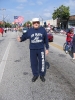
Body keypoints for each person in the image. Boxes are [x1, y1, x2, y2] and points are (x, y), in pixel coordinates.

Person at [17, 18, 49, 82]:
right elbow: (24, 36)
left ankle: (42, 75)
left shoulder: (43, 30)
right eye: (34, 22)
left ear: (39, 23)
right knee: (33, 63)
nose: (36, 23)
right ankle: (35, 75)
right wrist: (20, 39)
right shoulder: (30, 31)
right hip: (33, 49)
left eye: (37, 22)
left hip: (41, 49)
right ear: (32, 23)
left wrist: (47, 48)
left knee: (42, 63)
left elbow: (46, 40)